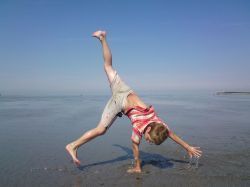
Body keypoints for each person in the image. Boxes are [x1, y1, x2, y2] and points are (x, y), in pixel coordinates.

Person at [66, 30, 202, 173]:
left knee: (108, 66)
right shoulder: (139, 127)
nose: (148, 141)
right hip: (118, 102)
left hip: (125, 90)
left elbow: (171, 134)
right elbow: (135, 147)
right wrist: (137, 166)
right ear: (148, 130)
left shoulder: (159, 125)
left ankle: (103, 38)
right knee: (100, 130)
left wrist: (188, 147)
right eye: (149, 139)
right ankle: (73, 146)